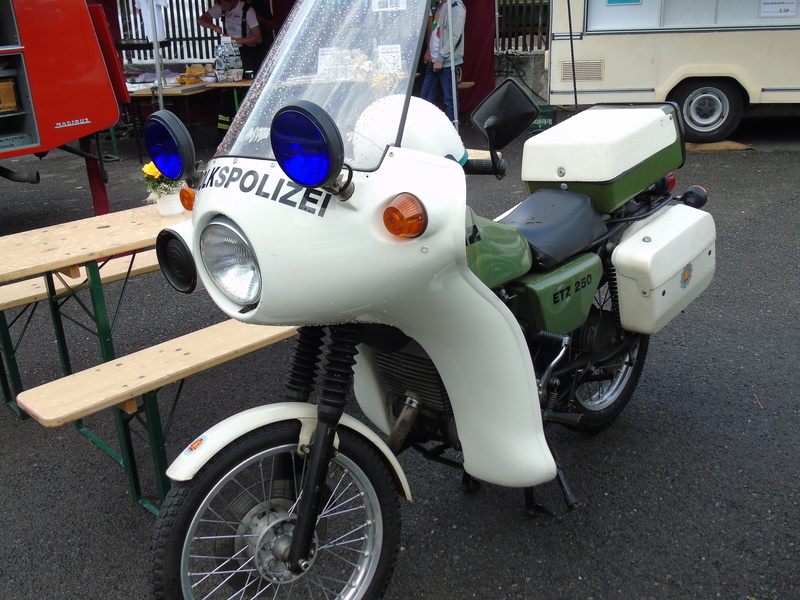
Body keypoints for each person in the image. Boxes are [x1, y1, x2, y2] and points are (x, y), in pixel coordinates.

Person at [197, 0, 263, 142]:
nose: (225, 9)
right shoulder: (221, 7)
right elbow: (201, 19)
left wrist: (236, 39)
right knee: (226, 90)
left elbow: (258, 37)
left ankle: (249, 131)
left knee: (246, 91)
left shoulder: (247, 10)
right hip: (229, 53)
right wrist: (214, 27)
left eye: (226, 6)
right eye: (222, 7)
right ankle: (224, 134)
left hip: (247, 53)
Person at [420, 0, 466, 126]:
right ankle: (427, 127)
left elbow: (455, 36)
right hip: (436, 60)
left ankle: (452, 131)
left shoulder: (456, 6)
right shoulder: (441, 6)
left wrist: (441, 58)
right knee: (425, 98)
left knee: (450, 100)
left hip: (446, 62)